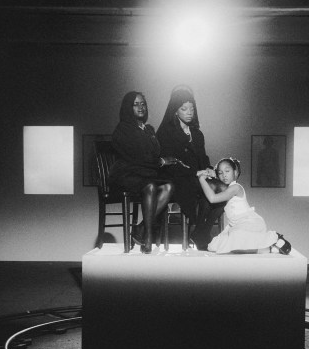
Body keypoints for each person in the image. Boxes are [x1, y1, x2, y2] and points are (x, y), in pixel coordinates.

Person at [109, 91, 183, 254]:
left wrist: (161, 159)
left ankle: (141, 228)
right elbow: (136, 157)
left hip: (146, 174)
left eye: (143, 104)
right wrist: (161, 161)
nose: (140, 107)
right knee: (149, 187)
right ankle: (148, 236)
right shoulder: (122, 129)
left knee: (169, 187)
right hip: (126, 175)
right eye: (135, 104)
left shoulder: (149, 130)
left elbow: (154, 153)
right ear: (128, 108)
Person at [156, 85, 224, 250]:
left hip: (197, 177)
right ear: (175, 111)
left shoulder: (197, 134)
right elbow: (169, 163)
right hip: (176, 177)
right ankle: (198, 231)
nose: (189, 112)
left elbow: (203, 159)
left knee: (223, 188)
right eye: (184, 108)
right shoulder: (166, 132)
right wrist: (195, 172)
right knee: (212, 187)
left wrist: (209, 169)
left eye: (192, 108)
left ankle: (201, 230)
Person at [197, 158, 292, 255]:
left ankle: (271, 242)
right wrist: (208, 173)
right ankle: (268, 247)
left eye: (227, 171)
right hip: (236, 225)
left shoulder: (235, 188)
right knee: (215, 246)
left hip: (249, 223)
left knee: (234, 241)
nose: (224, 175)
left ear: (235, 172)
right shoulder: (225, 188)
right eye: (220, 173)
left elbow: (212, 199)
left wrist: (201, 179)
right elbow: (212, 179)